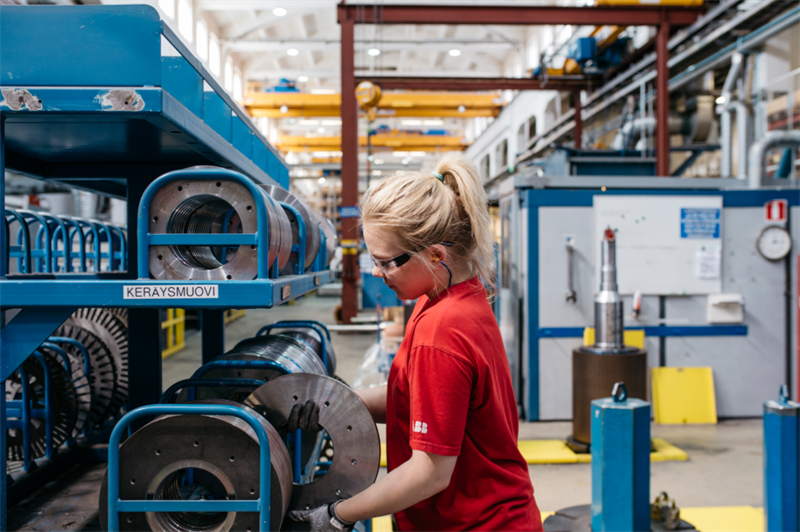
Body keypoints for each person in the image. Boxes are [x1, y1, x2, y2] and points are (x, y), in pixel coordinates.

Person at [290, 153, 543, 532]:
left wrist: (337, 515)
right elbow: (419, 397)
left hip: (477, 524)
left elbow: (430, 472)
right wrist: (336, 405)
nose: (377, 273)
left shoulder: (442, 331)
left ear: (436, 255)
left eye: (386, 262)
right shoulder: (451, 298)